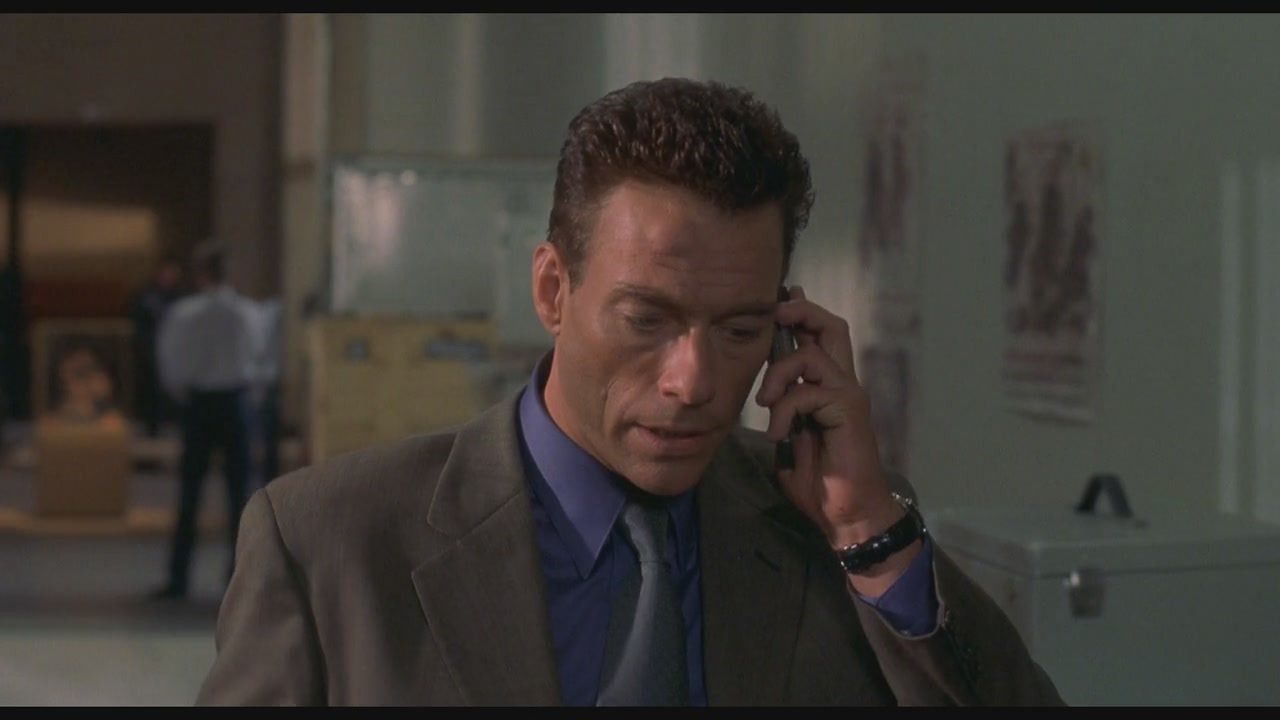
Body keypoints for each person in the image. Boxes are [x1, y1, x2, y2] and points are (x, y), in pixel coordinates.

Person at [198, 78, 1063, 706]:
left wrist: (872, 536)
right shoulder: (329, 543)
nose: (694, 383)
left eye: (739, 330)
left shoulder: (834, 531)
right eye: (647, 320)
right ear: (553, 291)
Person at [152, 241, 258, 600]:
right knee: (240, 495)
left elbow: (170, 363)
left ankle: (178, 577)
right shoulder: (247, 313)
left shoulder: (185, 313)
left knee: (189, 494)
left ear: (199, 274)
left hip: (199, 404)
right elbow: (260, 360)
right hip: (235, 402)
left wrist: (183, 395)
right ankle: (240, 578)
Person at [129, 256, 185, 437]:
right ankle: (152, 425)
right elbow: (138, 323)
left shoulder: (181, 298)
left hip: (175, 352)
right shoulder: (146, 296)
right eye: (167, 272)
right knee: (151, 390)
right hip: (151, 351)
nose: (170, 276)